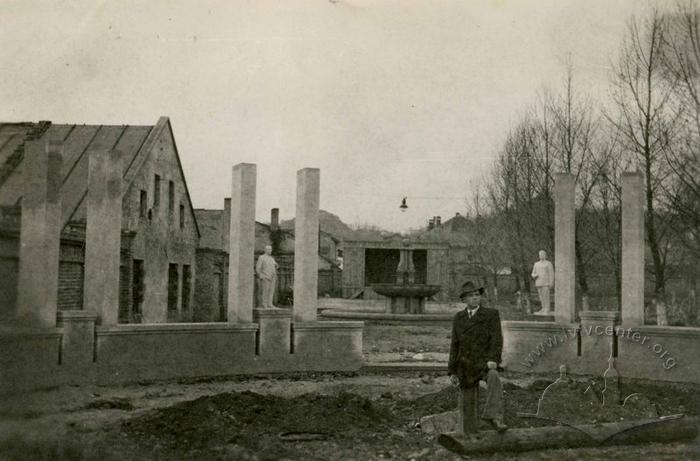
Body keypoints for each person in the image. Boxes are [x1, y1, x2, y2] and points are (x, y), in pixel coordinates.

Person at [448, 281, 508, 433]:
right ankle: (469, 434)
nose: (475, 298)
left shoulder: (491, 315)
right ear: (464, 300)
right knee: (467, 405)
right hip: (465, 365)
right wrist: (452, 371)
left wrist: (493, 359)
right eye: (471, 296)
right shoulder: (459, 318)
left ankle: (493, 416)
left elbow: (497, 340)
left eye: (477, 295)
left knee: (494, 377)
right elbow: (454, 346)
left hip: (484, 363)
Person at [531, 250, 554, 315]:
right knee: (541, 296)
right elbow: (533, 273)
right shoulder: (536, 264)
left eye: (542, 254)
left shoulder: (548, 263)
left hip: (546, 282)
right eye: (540, 254)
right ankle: (543, 307)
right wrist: (534, 275)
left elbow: (551, 273)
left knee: (546, 296)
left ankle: (547, 308)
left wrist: (551, 282)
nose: (541, 256)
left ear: (545, 255)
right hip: (538, 282)